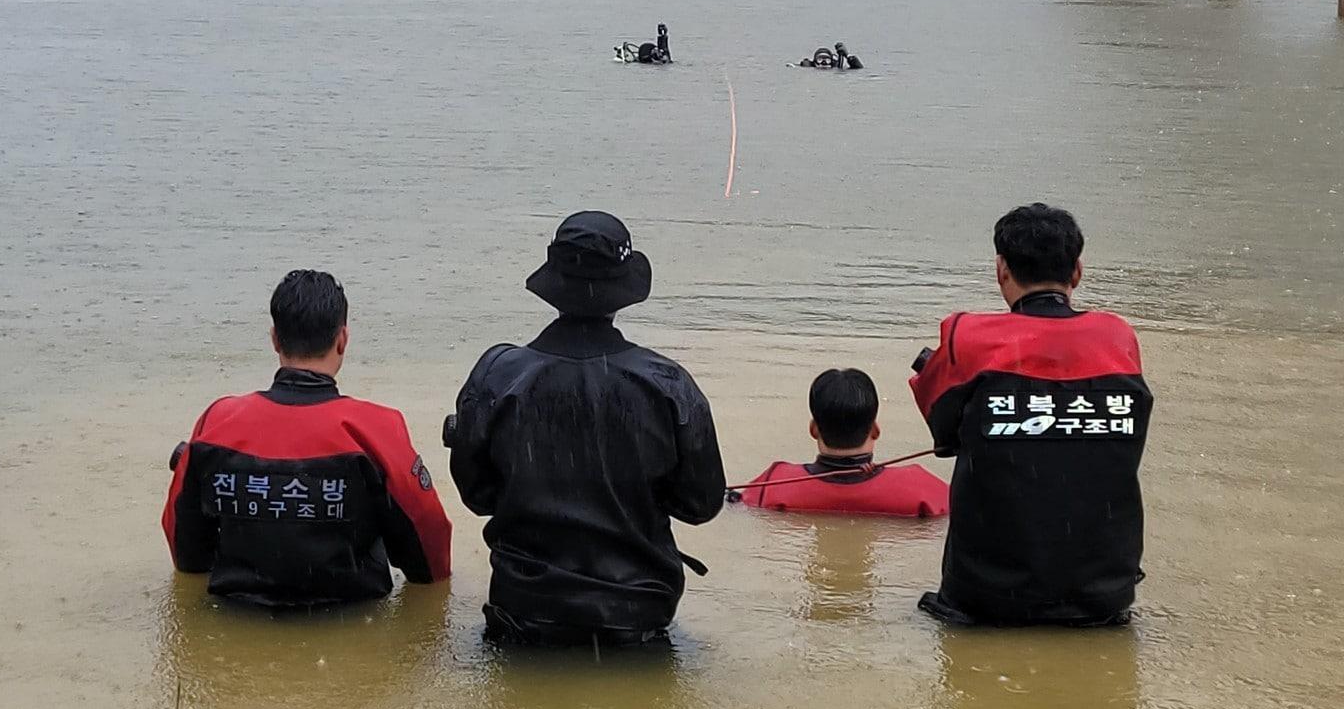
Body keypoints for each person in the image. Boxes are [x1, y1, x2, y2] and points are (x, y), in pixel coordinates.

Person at [447, 211, 725, 646]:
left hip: (525, 609)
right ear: (623, 289)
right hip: (637, 615)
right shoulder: (668, 384)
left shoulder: (497, 375)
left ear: (555, 283)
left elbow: (477, 496)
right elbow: (701, 504)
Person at [909, 205, 1152, 627]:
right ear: (1076, 271)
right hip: (1104, 598)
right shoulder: (1118, 338)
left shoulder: (967, 336)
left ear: (1001, 269)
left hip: (986, 599)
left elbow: (943, 435)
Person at [162, 269, 452, 609]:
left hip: (240, 612)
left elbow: (184, 546)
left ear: (274, 339)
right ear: (342, 339)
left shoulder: (217, 422)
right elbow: (428, 544)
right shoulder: (377, 428)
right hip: (350, 618)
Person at [733, 368, 948, 516]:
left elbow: (737, 504)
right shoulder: (924, 490)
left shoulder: (770, 486)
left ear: (813, 429)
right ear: (875, 430)